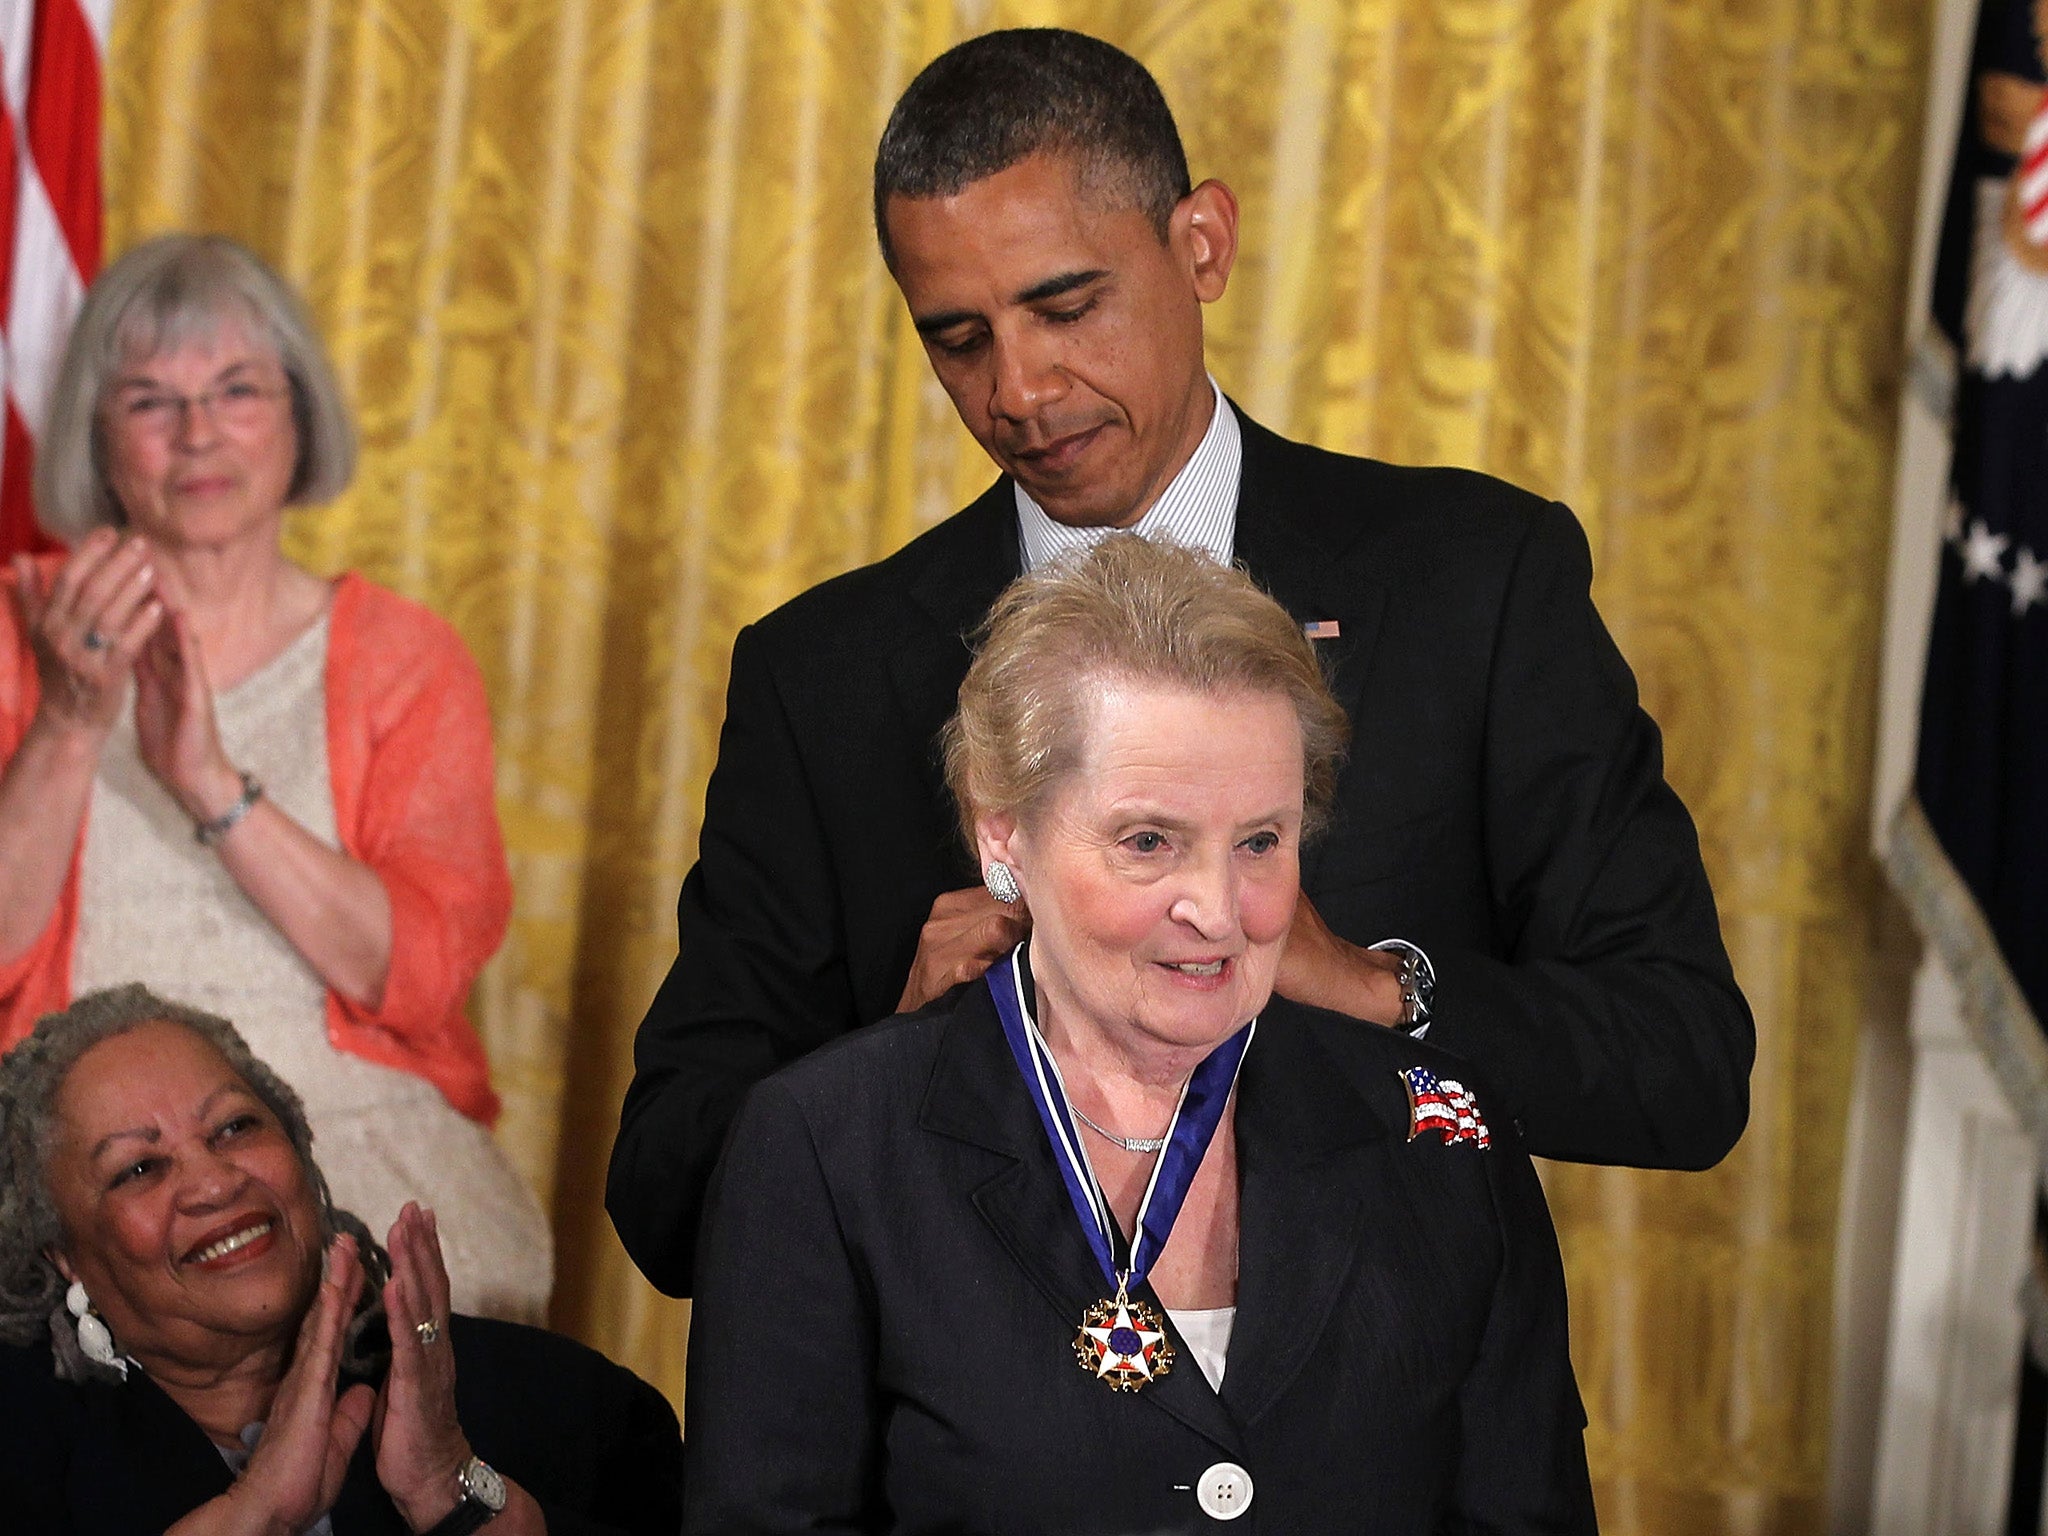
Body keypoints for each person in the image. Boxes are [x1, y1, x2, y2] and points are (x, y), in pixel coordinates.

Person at [609, 27, 1755, 1297]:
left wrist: (1369, 989)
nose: (1021, 390)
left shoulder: (1472, 581)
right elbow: (665, 1198)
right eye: (958, 339)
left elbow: (1684, 1067)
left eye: (1064, 306)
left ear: (1200, 244)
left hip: (1384, 1436)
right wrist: (890, 1053)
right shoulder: (821, 674)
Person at [683, 538, 1596, 1532]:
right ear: (1004, 838)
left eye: (1259, 841)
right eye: (1148, 841)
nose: (1217, 907)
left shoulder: (1442, 1138)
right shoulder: (825, 1143)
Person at [0, 234, 550, 1319]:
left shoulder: (404, 656)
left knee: (443, 1305)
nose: (198, 433)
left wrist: (208, 783)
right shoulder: (21, 633)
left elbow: (416, 973)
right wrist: (68, 720)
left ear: (298, 416)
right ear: (96, 438)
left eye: (236, 390)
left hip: (344, 1114)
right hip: (76, 1134)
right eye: (151, 401)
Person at [0, 983, 682, 1535]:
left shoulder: (568, 1405)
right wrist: (252, 1515)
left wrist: (456, 1496)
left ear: (300, 1151)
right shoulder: (19, 1449)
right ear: (64, 1255)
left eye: (236, 1126)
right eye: (141, 1168)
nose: (215, 1182)